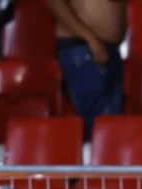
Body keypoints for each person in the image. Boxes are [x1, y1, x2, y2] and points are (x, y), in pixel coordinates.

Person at [47, 0, 127, 139]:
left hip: (107, 51)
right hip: (84, 48)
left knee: (110, 128)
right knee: (98, 127)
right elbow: (54, 3)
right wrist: (90, 39)